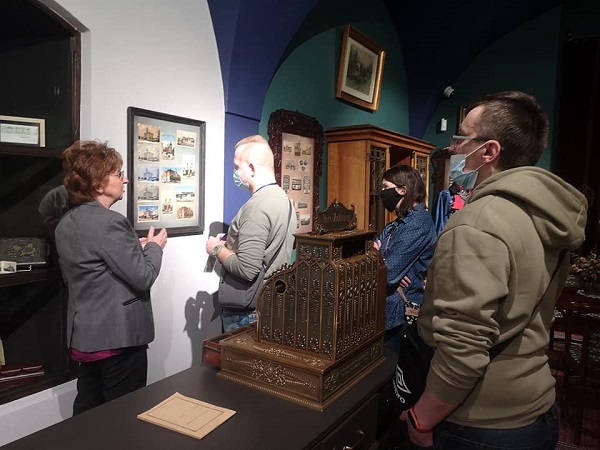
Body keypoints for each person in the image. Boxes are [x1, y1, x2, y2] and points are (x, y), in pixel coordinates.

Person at [401, 91, 588, 449]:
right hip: (535, 404)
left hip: (480, 419)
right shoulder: (542, 213)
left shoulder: (478, 222)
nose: (453, 148)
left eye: (461, 138)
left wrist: (421, 418)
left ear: (489, 151)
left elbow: (463, 347)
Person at [55, 140, 167, 415]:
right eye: (118, 174)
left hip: (86, 337)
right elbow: (143, 277)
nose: (125, 179)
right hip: (118, 339)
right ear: (98, 185)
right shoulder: (111, 222)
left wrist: (132, 248)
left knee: (88, 413)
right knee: (123, 417)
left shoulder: (65, 223)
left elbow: (92, 267)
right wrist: (154, 248)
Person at [205, 135, 296, 332]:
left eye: (237, 167)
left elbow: (247, 269)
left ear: (252, 168)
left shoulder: (256, 207)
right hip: (273, 302)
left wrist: (216, 249)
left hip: (249, 313)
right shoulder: (284, 200)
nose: (235, 172)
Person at [373, 165, 437, 349]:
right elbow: (374, 251)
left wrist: (381, 260)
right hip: (386, 307)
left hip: (399, 313)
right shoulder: (399, 222)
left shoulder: (417, 223)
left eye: (386, 187)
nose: (383, 192)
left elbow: (389, 273)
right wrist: (379, 257)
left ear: (402, 190)